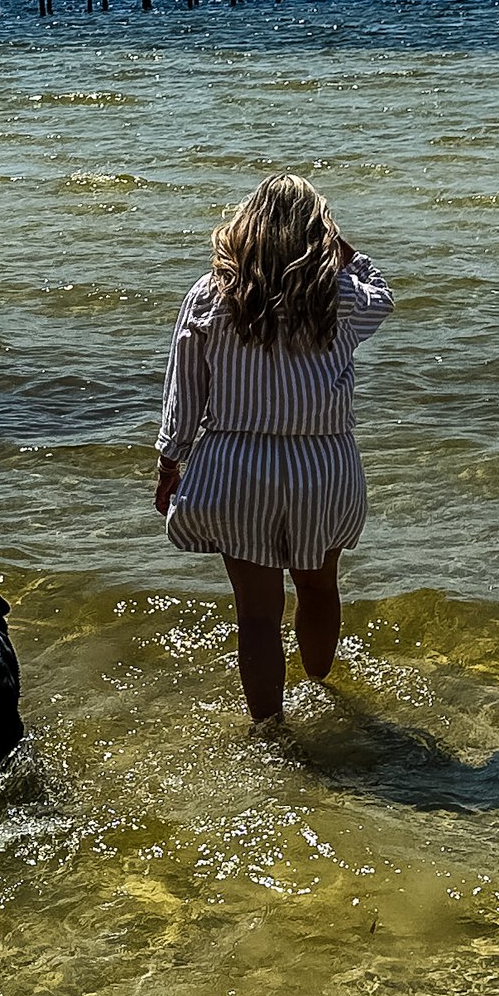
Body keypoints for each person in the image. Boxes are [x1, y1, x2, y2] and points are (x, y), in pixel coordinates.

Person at [154, 173, 394, 724]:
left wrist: (171, 462)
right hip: (323, 466)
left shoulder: (212, 292)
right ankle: (322, 692)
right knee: (317, 588)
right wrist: (340, 248)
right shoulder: (339, 295)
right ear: (321, 233)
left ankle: (270, 733)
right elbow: (384, 294)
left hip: (236, 466)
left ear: (245, 226)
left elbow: (184, 389)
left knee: (257, 617)